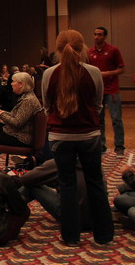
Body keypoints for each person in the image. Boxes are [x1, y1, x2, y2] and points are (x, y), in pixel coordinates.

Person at [42, 29, 114, 247]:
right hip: (89, 136)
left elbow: (47, 107)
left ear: (57, 50)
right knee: (96, 184)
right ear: (83, 48)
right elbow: (98, 105)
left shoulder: (49, 74)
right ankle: (103, 235)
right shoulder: (93, 72)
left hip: (60, 137)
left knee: (67, 185)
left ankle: (71, 236)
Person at [87, 26, 125, 157]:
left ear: (105, 37)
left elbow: (121, 69)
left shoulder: (113, 50)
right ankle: (101, 146)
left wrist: (107, 73)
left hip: (112, 90)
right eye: (95, 34)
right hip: (97, 91)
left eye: (100, 34)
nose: (97, 37)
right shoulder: (89, 52)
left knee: (116, 119)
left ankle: (119, 147)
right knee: (98, 119)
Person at [0, 72, 42, 149]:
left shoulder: (28, 100)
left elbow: (17, 123)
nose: (11, 84)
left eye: (13, 81)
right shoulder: (26, 96)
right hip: (16, 132)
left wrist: (0, 113)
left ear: (21, 84)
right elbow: (16, 115)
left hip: (21, 137)